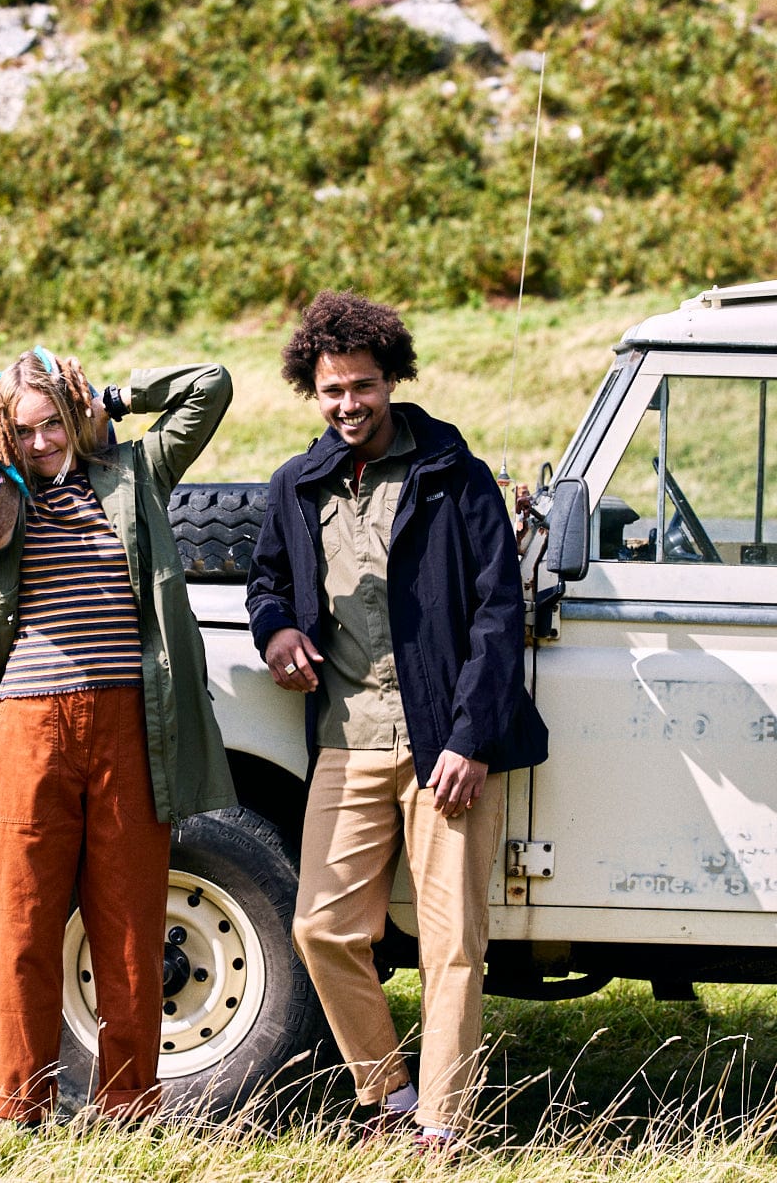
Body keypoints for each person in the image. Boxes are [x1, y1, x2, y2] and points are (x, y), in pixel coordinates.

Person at [245, 291, 547, 1154]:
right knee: (320, 927)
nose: (349, 405)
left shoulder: (457, 476)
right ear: (313, 386)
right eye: (332, 389)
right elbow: (267, 585)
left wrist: (469, 741)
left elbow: (499, 618)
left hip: (443, 745)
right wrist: (277, 631)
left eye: (364, 387)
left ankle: (444, 1126)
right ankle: (388, 1097)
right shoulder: (295, 486)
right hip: (344, 737)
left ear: (393, 380)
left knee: (454, 944)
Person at [0, 348, 237, 1129]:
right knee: (19, 920)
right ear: (4, 434)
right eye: (26, 431)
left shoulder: (134, 472)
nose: (44, 441)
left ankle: (127, 1105)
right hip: (26, 725)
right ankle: (18, 1104)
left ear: (73, 413)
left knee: (128, 924)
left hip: (131, 723)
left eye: (53, 421)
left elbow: (209, 386)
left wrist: (110, 398)